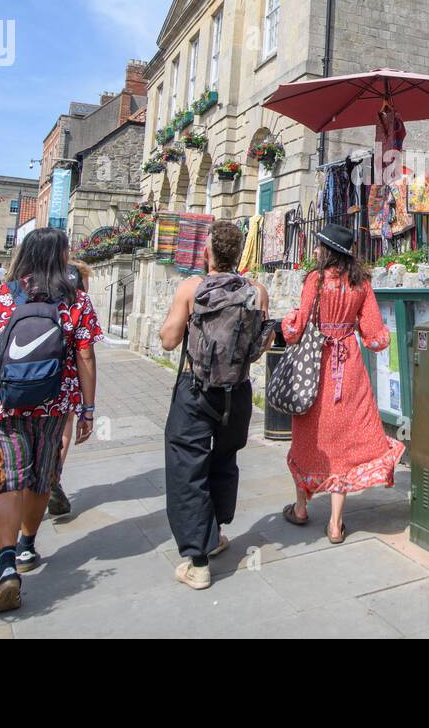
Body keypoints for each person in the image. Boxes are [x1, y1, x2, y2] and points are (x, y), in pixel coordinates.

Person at [0, 227, 103, 613]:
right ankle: (28, 545)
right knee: (40, 476)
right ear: (61, 257)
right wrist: (87, 410)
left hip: (3, 406)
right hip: (51, 404)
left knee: (7, 483)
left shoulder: (0, 296)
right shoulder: (75, 301)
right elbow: (86, 359)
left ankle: (7, 564)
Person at [159, 220, 272, 590]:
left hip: (196, 390)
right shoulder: (257, 291)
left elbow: (168, 341)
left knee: (186, 467)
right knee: (224, 459)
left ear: (207, 252)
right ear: (239, 254)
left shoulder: (192, 288)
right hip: (236, 393)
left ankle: (197, 559)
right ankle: (218, 532)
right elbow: (261, 344)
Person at [280, 224, 404, 543]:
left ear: (327, 250)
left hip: (316, 366)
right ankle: (336, 524)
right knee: (345, 442)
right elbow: (375, 336)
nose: (316, 251)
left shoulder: (316, 279)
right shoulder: (360, 282)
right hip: (348, 366)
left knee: (309, 436)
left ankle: (301, 507)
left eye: (320, 246)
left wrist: (288, 323)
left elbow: (298, 325)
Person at [48, 258, 93, 518]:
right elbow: (85, 352)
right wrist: (89, 407)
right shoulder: (79, 286)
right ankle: (53, 475)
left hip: (27, 377)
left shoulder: (27, 287)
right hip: (65, 374)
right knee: (64, 424)